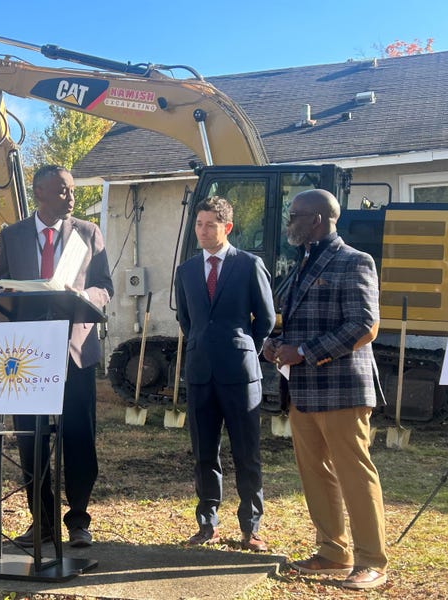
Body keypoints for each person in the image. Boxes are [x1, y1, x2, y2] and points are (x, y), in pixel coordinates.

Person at [262, 189, 388, 590]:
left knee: (354, 475)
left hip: (342, 389)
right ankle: (333, 552)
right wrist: (274, 343)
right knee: (315, 473)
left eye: (294, 216)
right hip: (304, 391)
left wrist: (303, 352)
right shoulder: (303, 262)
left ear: (316, 220)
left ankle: (372, 562)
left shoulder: (355, 262)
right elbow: (293, 321)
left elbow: (363, 326)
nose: (289, 223)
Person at [0, 165, 113, 549]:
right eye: (63, 190)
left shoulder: (88, 233)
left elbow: (104, 286)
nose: (71, 197)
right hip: (26, 354)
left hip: (75, 351)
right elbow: (1, 291)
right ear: (39, 192)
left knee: (78, 438)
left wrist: (87, 298)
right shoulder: (11, 236)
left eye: (72, 190)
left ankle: (78, 520)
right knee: (32, 440)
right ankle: (41, 522)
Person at [174, 196, 275, 552]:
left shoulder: (248, 265)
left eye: (210, 225)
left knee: (247, 453)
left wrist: (245, 349)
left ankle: (252, 527)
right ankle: (207, 523)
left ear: (227, 227)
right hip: (201, 372)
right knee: (204, 452)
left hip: (240, 373)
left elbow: (266, 319)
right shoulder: (185, 271)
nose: (202, 231)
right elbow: (186, 319)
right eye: (198, 224)